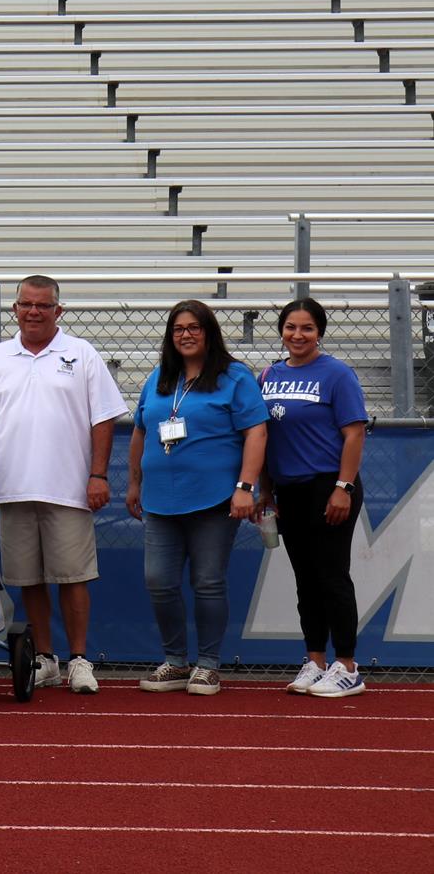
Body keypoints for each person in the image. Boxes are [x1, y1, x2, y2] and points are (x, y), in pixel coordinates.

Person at [0, 275, 128, 694]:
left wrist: (97, 475)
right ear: (15, 310)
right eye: (27, 304)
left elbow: (104, 417)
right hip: (11, 488)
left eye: (44, 305)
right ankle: (45, 659)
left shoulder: (82, 353)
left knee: (73, 577)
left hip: (69, 488)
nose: (35, 312)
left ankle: (79, 659)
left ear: (59, 310)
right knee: (29, 580)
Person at [126, 299, 269, 697]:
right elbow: (140, 431)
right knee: (159, 582)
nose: (185, 335)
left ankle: (208, 665)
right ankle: (175, 662)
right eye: (178, 329)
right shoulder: (159, 377)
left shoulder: (235, 377)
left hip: (214, 501)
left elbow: (256, 432)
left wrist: (245, 486)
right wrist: (134, 482)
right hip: (158, 501)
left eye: (194, 328)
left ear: (209, 333)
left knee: (207, 582)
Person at [260, 296, 370, 698]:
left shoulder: (337, 374)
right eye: (291, 327)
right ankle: (315, 660)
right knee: (306, 579)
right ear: (282, 331)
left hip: (330, 487)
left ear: (319, 331)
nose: (298, 335)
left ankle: (347, 665)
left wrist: (343, 487)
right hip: (289, 491)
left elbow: (354, 433)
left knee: (331, 575)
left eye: (307, 328)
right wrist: (267, 490)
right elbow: (264, 437)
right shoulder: (268, 375)